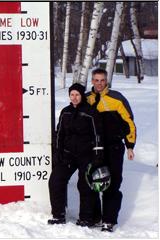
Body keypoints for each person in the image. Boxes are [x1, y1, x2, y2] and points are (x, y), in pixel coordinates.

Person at [87, 68, 136, 232]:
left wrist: (130, 146)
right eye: (96, 80)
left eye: (102, 80)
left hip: (113, 147)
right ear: (92, 81)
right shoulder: (87, 99)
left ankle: (109, 220)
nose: (99, 83)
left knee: (112, 184)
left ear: (106, 81)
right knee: (92, 182)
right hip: (93, 148)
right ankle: (94, 217)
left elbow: (129, 123)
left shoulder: (117, 98)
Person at [48, 83, 104, 227]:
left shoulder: (90, 112)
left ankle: (86, 218)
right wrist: (58, 152)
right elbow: (59, 133)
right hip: (68, 155)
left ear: (82, 95)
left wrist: (98, 155)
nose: (74, 97)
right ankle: (58, 215)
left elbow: (98, 134)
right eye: (72, 95)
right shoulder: (65, 112)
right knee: (56, 180)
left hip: (87, 155)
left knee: (85, 185)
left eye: (77, 95)